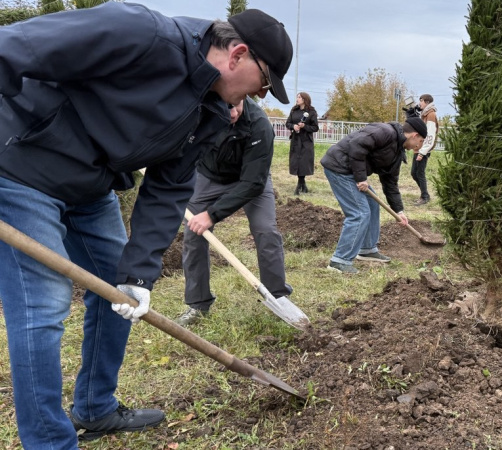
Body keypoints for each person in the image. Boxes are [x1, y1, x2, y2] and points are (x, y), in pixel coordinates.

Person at [0, 4, 292, 446]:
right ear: (238, 55)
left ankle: (95, 409)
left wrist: (139, 273)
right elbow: (14, 49)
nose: (259, 97)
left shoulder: (209, 110)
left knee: (119, 291)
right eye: (265, 84)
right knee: (43, 306)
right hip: (22, 166)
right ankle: (48, 442)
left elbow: (170, 188)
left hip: (92, 187)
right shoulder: (139, 33)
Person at [176, 98, 293, 326]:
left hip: (251, 179)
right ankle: (198, 304)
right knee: (193, 235)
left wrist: (211, 214)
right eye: (225, 107)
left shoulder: (259, 124)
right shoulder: (199, 111)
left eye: (236, 105)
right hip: (208, 176)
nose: (232, 113)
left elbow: (254, 184)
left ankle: (278, 296)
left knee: (265, 230)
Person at [320, 117, 427, 274]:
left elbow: (390, 183)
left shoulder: (397, 151)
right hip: (339, 167)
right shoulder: (385, 132)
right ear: (414, 135)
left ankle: (367, 249)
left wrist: (399, 211)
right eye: (421, 141)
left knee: (371, 204)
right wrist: (361, 178)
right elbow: (356, 145)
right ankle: (339, 261)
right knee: (360, 212)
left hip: (352, 171)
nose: (419, 146)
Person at [285, 92, 319, 195]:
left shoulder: (311, 112)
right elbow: (288, 123)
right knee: (296, 161)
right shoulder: (294, 110)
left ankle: (300, 185)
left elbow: (315, 127)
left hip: (306, 141)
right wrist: (293, 126)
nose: (297, 99)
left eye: (299, 97)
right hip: (296, 139)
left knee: (304, 162)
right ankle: (302, 184)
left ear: (304, 99)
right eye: (297, 97)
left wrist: (305, 126)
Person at [411, 94, 439, 206]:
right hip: (419, 147)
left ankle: (425, 197)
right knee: (414, 173)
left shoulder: (430, 114)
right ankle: (424, 194)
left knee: (419, 173)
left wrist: (423, 152)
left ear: (427, 102)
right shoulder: (424, 114)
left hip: (423, 149)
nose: (419, 103)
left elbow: (430, 135)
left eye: (421, 101)